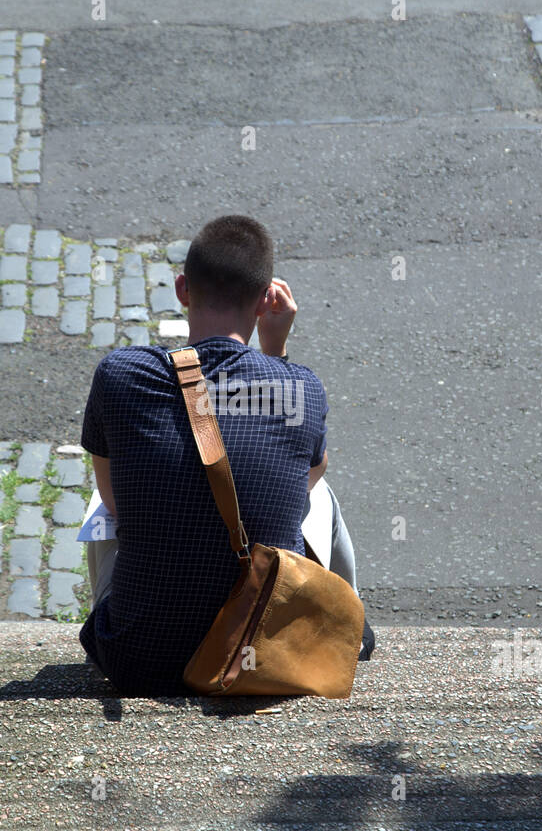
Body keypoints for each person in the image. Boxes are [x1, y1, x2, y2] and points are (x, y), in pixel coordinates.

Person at [78, 215, 375, 696]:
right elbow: (301, 475)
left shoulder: (121, 375)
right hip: (266, 652)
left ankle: (131, 611)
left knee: (100, 503)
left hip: (136, 658)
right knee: (319, 494)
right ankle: (344, 628)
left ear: (182, 289)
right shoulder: (302, 386)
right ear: (264, 302)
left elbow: (113, 502)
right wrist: (275, 349)